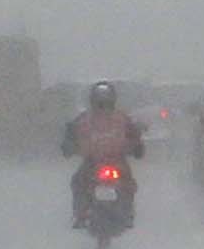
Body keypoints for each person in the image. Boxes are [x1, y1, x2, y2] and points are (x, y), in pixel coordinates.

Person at [61, 80, 145, 226]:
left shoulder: (120, 119)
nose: (102, 105)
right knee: (79, 182)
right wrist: (68, 145)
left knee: (127, 184)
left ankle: (123, 211)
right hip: (96, 161)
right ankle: (82, 213)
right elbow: (71, 133)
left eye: (105, 102)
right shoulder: (85, 119)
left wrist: (137, 146)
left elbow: (134, 135)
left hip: (111, 161)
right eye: (100, 102)